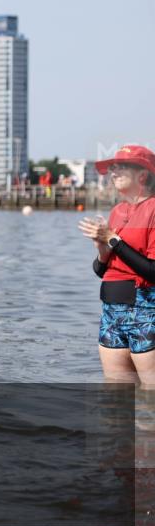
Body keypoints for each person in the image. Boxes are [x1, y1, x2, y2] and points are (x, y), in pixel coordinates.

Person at [78, 145, 155, 386]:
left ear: (142, 175)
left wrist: (113, 240)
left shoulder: (153, 209)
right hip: (111, 311)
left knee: (149, 405)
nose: (113, 172)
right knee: (116, 405)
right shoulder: (117, 211)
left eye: (121, 166)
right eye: (112, 167)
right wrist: (102, 248)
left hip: (146, 310)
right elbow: (102, 270)